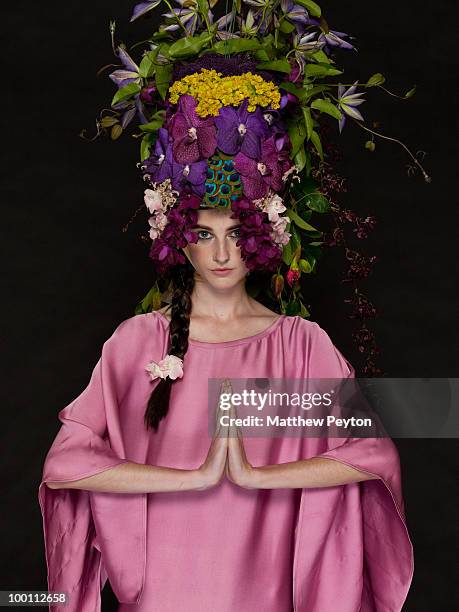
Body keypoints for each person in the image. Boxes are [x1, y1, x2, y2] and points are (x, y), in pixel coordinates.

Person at [40, 207, 413, 612]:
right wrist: (195, 478)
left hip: (265, 586)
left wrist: (255, 477)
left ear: (263, 237)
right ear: (178, 240)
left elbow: (373, 454)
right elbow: (64, 465)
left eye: (235, 234)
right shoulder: (136, 341)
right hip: (164, 591)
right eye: (203, 235)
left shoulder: (302, 346)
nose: (221, 254)